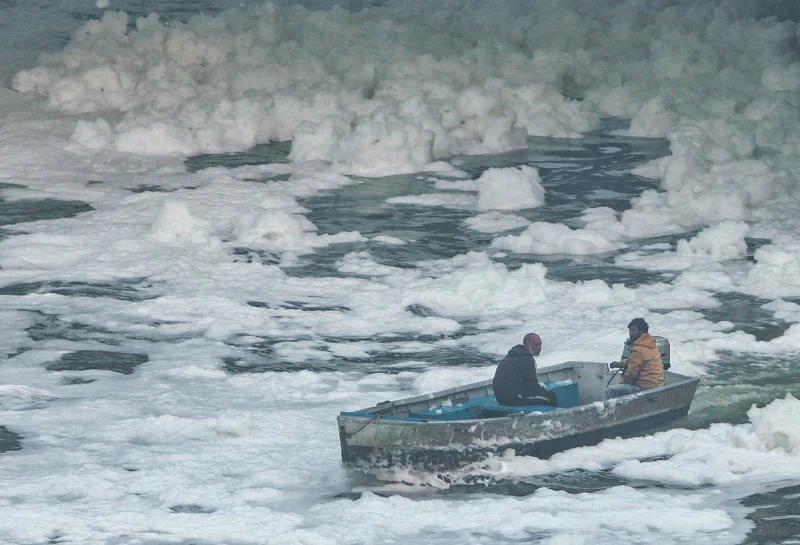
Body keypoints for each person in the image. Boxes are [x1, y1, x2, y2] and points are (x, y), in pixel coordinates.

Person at [492, 333, 558, 407]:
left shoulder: (513, 355)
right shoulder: (526, 360)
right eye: (536, 345)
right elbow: (533, 387)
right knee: (551, 397)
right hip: (513, 399)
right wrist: (542, 390)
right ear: (527, 344)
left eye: (540, 344)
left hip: (500, 398)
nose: (539, 348)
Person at [605, 318, 665, 399]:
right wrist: (621, 363)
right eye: (630, 330)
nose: (630, 333)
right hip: (657, 386)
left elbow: (632, 373)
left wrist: (622, 382)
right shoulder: (650, 344)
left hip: (644, 388)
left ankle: (609, 408)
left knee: (610, 390)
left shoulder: (638, 349)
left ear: (642, 331)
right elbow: (634, 360)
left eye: (634, 330)